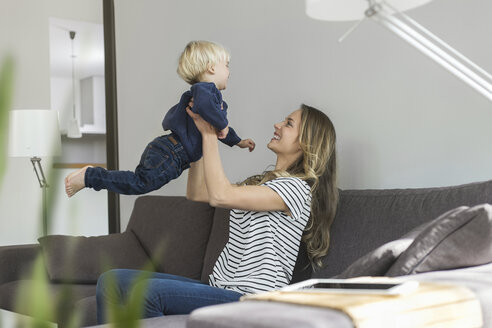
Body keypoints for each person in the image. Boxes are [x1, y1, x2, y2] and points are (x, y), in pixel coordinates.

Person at [95, 103, 339, 323]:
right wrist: (196, 142)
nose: (277, 125)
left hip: (251, 299)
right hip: (219, 288)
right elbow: (199, 193)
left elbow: (220, 195)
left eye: (288, 124)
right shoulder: (261, 185)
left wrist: (209, 132)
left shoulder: (297, 189)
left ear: (306, 142)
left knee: (148, 295)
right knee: (111, 282)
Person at [64, 40, 255, 197]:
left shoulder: (211, 98)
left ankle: (90, 176)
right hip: (172, 152)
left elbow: (219, 129)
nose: (229, 71)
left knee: (139, 182)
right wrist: (223, 125)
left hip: (171, 151)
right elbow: (211, 115)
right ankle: (90, 176)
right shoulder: (204, 90)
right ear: (212, 68)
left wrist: (237, 141)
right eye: (227, 65)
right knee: (140, 183)